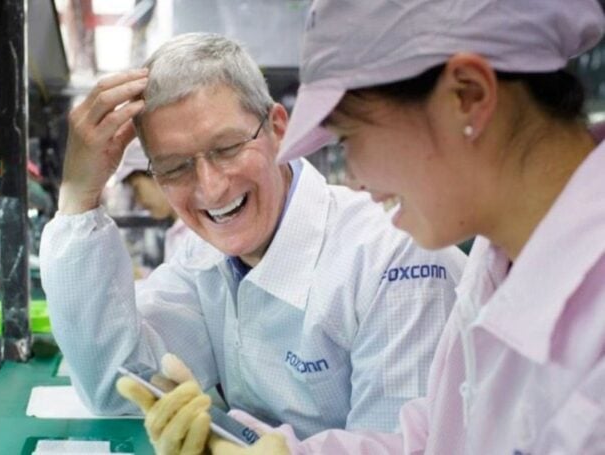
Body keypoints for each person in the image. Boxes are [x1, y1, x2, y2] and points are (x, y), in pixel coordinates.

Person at [168, 0, 603, 453]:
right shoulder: (498, 265)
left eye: (349, 136)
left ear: (468, 96)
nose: (354, 176)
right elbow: (437, 441)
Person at [39, 33, 465, 452]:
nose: (211, 188)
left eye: (227, 147)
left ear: (278, 128)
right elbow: (117, 387)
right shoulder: (203, 255)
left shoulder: (395, 255)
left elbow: (408, 446)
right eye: (174, 167)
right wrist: (79, 195)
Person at [112, 138, 194, 261]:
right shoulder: (179, 232)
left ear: (157, 174)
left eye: (137, 189)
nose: (139, 202)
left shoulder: (195, 235)